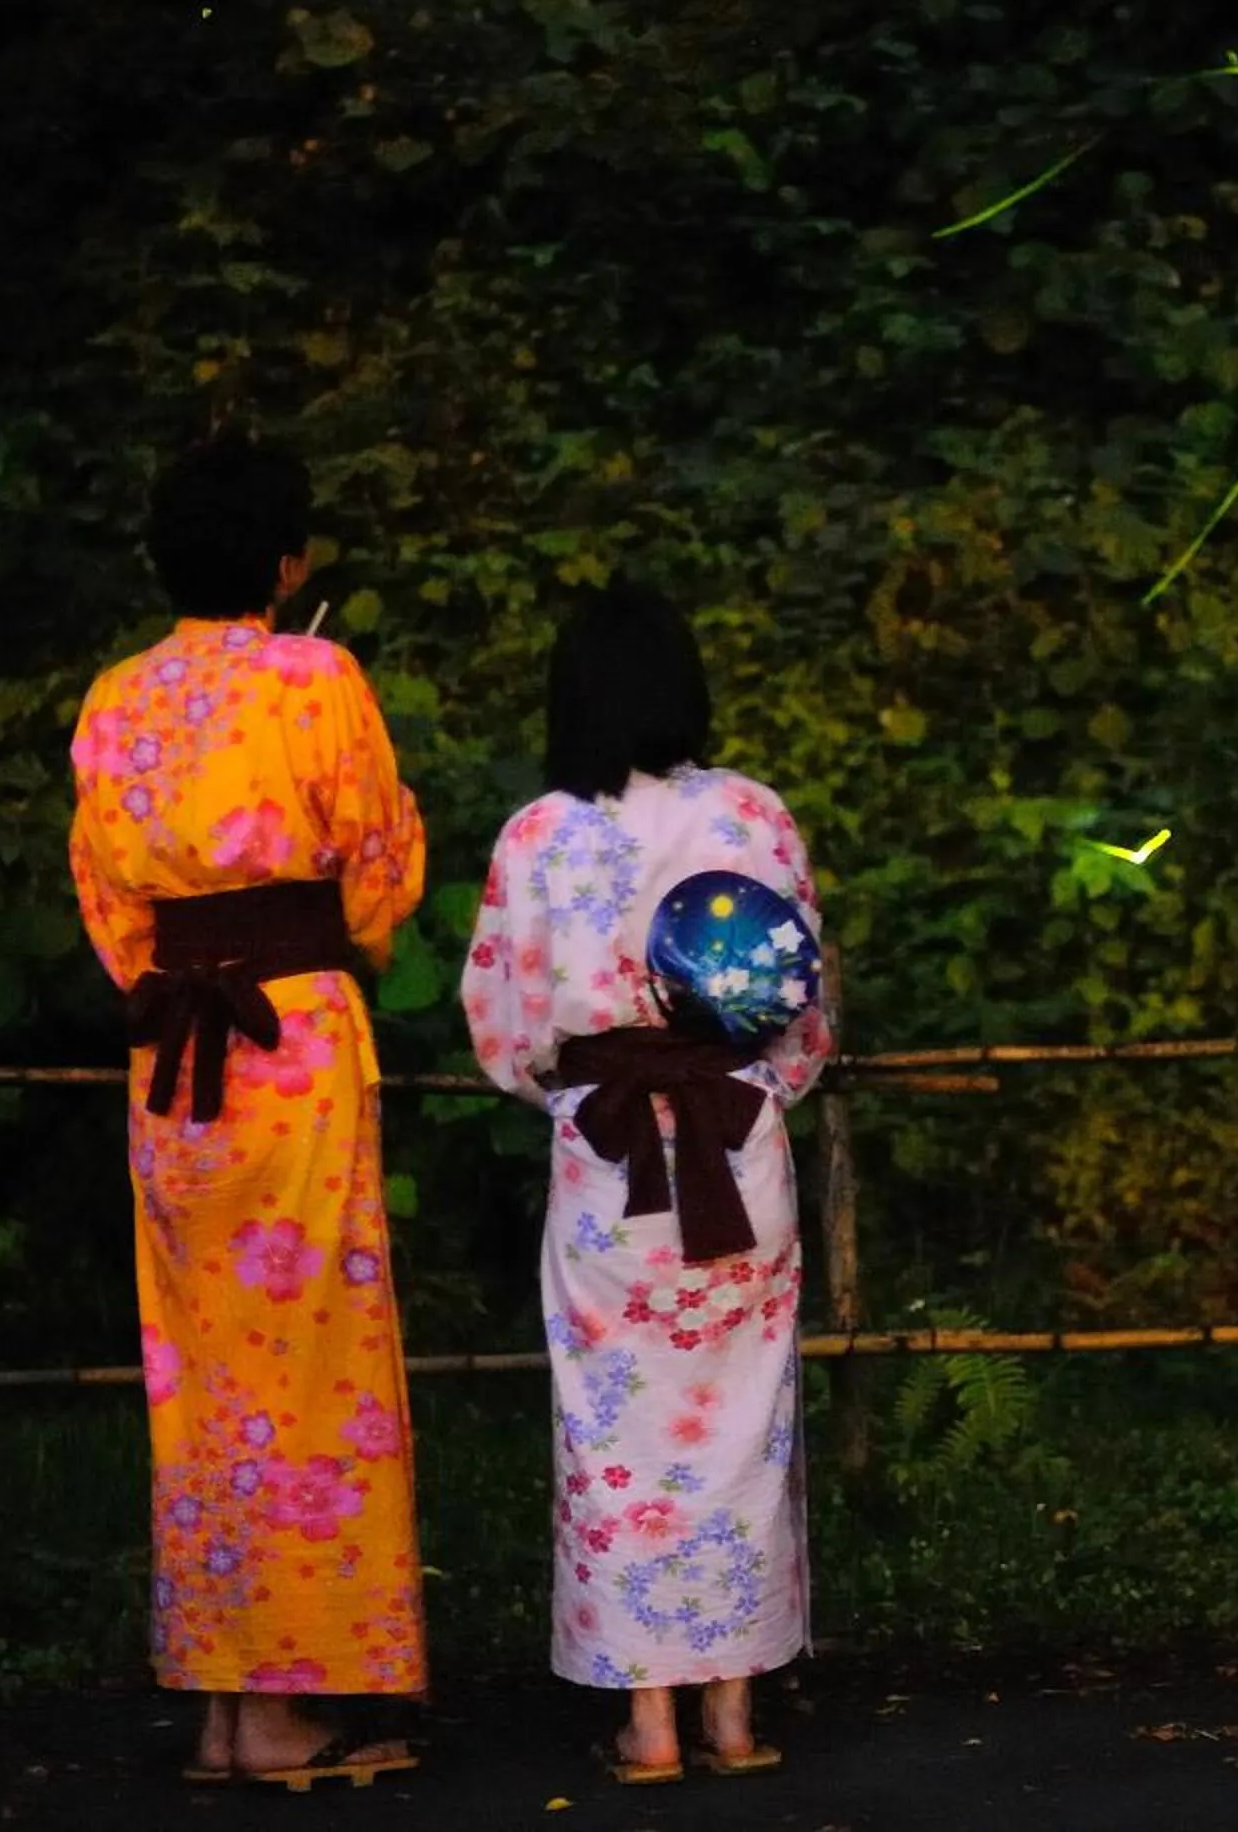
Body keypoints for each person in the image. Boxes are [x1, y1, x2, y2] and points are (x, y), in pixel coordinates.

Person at [66, 438, 429, 1789]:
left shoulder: (115, 697)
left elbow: (111, 910)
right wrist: (364, 934)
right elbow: (380, 863)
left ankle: (223, 1705)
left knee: (200, 1378)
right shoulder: (313, 676)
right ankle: (279, 1710)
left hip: (173, 1059)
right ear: (288, 564)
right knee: (313, 1369)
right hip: (291, 1044)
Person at [459, 577, 834, 1784]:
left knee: (612, 1432)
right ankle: (733, 1710)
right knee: (739, 1426)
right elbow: (804, 1016)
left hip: (607, 1161)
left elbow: (505, 1034)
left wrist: (575, 1090)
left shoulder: (537, 836)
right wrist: (763, 1086)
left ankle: (651, 1721)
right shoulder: (756, 818)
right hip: (737, 1145)